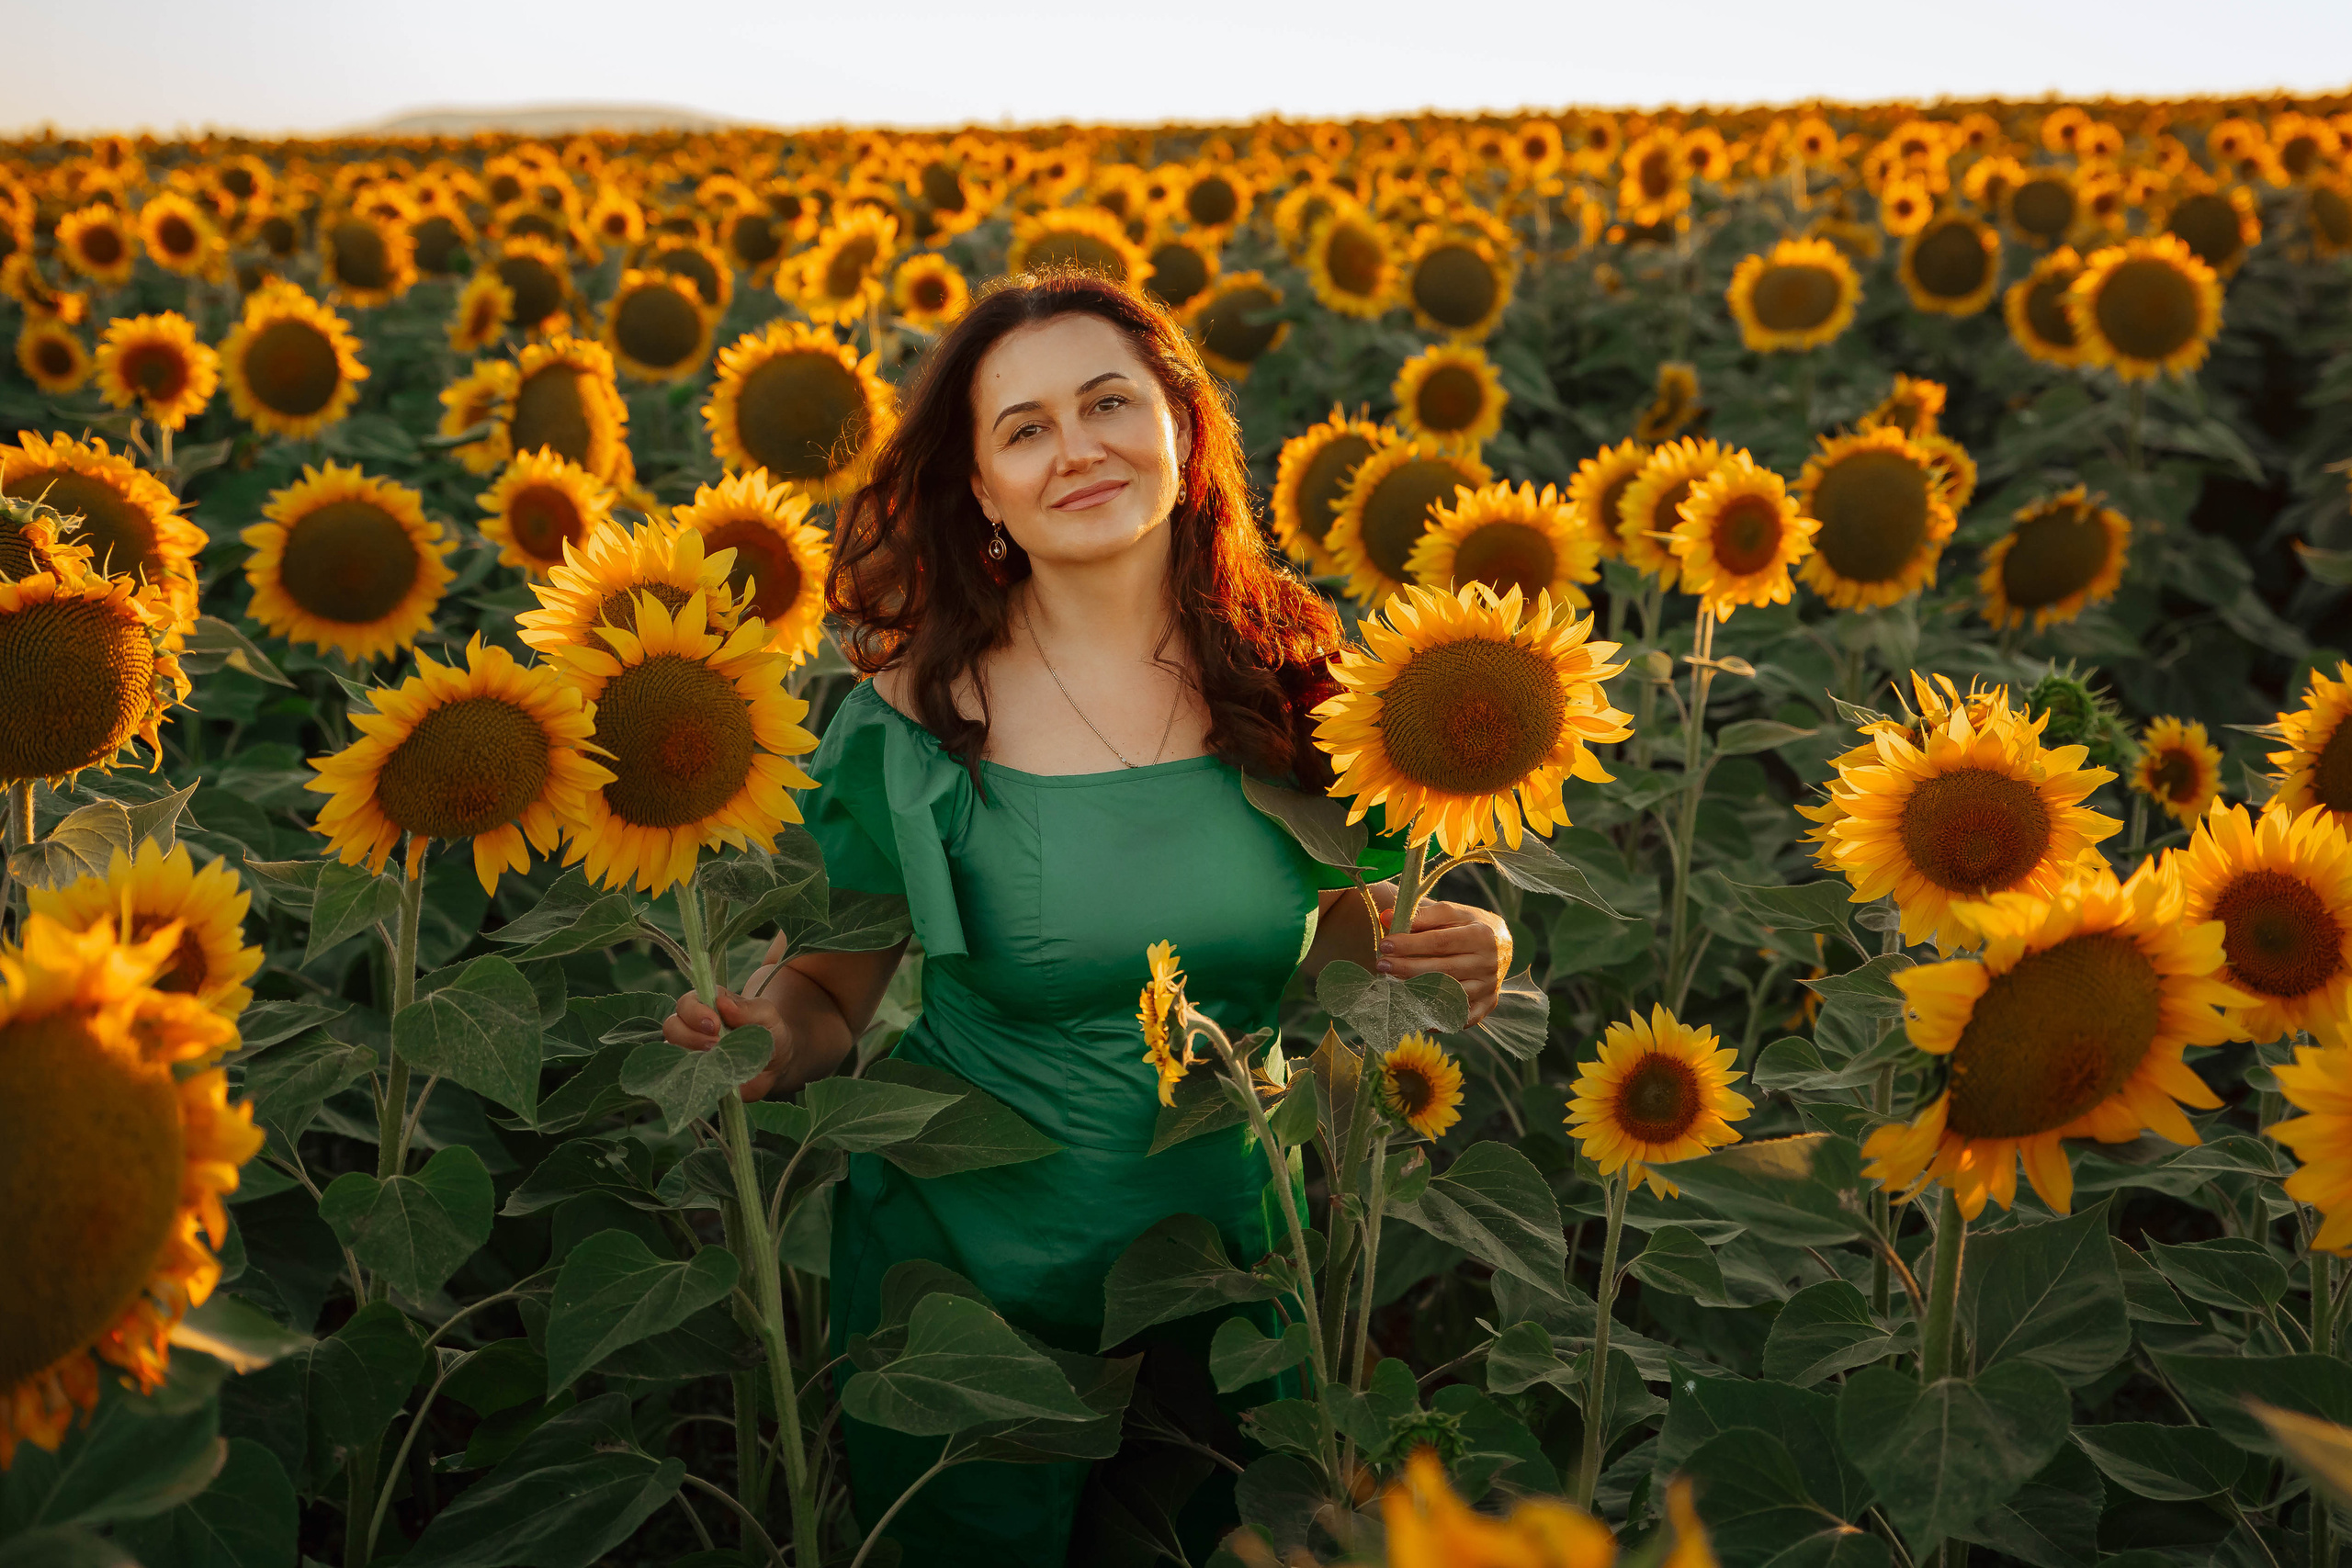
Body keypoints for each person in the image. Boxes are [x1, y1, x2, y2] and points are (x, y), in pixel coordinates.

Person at [662, 268, 1509, 1565]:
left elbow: (1341, 948)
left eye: (1108, 402)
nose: (1078, 450)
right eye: (1026, 428)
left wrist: (1466, 949)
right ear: (982, 488)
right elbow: (831, 993)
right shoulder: (914, 717)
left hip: (1232, 1266)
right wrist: (762, 1041)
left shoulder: (1304, 687)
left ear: (1181, 423)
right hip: (971, 1284)